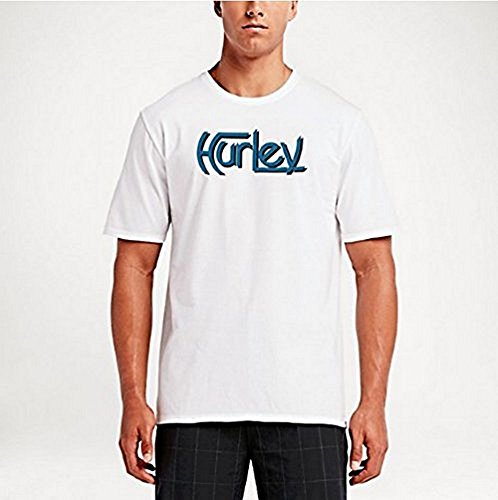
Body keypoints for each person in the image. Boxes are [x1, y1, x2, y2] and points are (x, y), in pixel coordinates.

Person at [102, 1, 399, 498]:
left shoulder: (338, 123)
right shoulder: (166, 121)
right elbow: (134, 263)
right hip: (194, 404)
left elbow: (374, 267)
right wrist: (133, 397)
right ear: (218, 4)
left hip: (307, 403)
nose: (255, 7)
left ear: (294, 5)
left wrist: (374, 401)